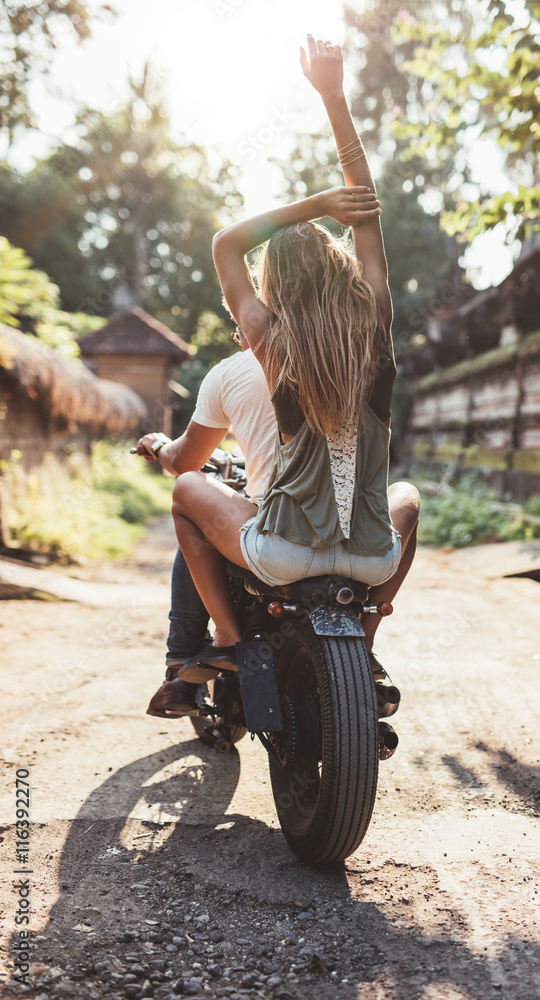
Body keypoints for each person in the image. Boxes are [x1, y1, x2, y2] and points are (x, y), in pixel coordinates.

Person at [170, 35, 420, 687]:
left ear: (274, 284)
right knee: (409, 498)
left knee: (187, 489)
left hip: (283, 555)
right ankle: (363, 646)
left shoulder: (271, 342)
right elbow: (364, 207)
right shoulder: (375, 329)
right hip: (370, 560)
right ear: (341, 275)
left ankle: (226, 636)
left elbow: (226, 243)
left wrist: (310, 208)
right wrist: (334, 97)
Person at [135, 332, 277, 716]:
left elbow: (185, 460)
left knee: (189, 498)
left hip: (278, 531)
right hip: (349, 528)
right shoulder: (348, 353)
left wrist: (160, 446)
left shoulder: (232, 371)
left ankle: (187, 662)